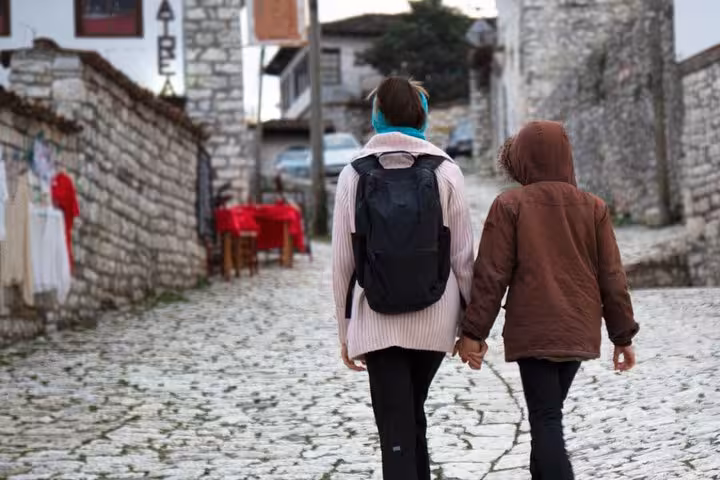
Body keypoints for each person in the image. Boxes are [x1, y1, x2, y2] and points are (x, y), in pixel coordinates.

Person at [456, 120, 640, 480]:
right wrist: (623, 336)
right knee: (548, 414)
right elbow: (612, 277)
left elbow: (491, 274)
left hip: (534, 331)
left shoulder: (509, 204)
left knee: (546, 417)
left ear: (520, 159)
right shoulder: (594, 207)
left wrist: (474, 332)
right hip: (578, 329)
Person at [332, 76, 475, 480]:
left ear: (376, 116)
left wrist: (346, 332)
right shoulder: (446, 171)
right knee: (411, 417)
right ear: (423, 116)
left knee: (395, 428)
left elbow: (343, 261)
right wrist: (471, 328)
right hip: (436, 320)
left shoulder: (353, 174)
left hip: (377, 320)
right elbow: (464, 257)